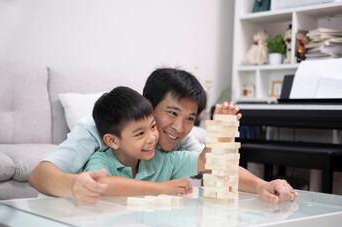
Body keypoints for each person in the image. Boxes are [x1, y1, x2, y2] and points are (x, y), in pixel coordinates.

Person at [29, 68, 298, 206]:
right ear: (148, 104)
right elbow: (39, 175)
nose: (179, 128)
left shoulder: (170, 145)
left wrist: (263, 185)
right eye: (171, 113)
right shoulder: (99, 126)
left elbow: (213, 162)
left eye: (190, 118)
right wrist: (75, 185)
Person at [83, 86, 207, 195]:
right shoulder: (102, 160)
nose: (152, 138)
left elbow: (205, 160)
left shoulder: (164, 160)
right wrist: (161, 188)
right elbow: (98, 183)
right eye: (140, 133)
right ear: (113, 141)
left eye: (153, 127)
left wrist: (221, 125)